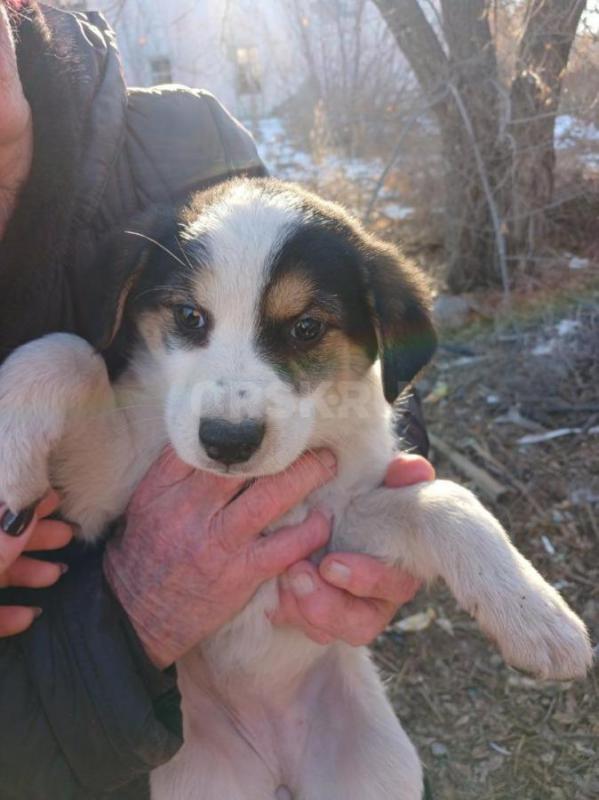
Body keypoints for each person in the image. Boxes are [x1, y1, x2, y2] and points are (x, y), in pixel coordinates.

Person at [0, 3, 433, 798]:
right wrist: (131, 615)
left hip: (314, 688)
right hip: (152, 742)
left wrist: (381, 525)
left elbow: (364, 346)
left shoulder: (187, 146)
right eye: (190, 320)